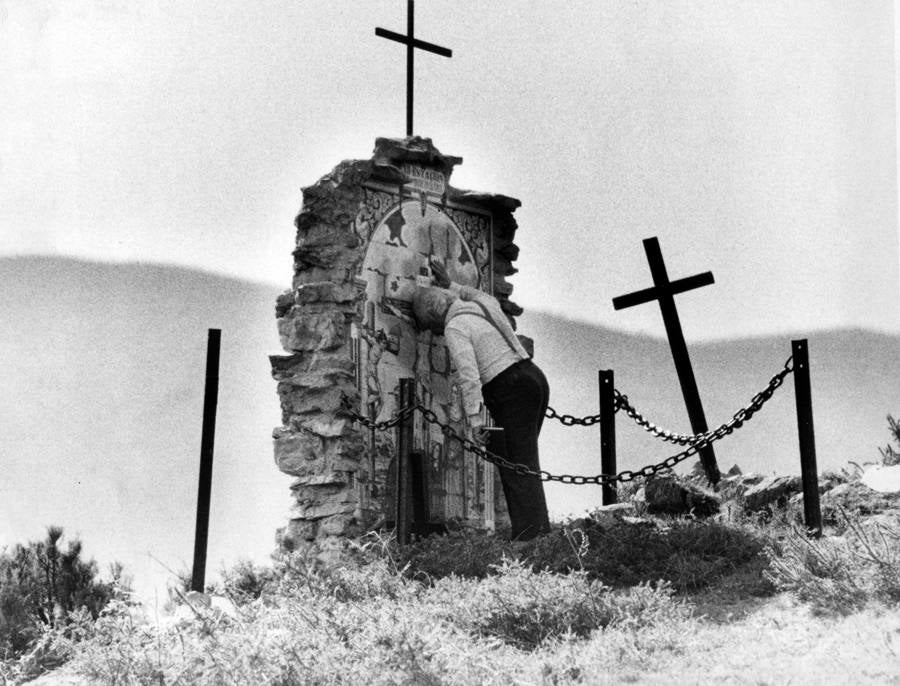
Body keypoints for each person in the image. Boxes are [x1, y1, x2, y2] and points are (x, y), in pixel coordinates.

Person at [411, 259, 551, 540]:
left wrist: (475, 420)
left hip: (509, 388)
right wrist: (450, 284)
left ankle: (529, 537)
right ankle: (538, 533)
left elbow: (469, 375)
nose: (435, 334)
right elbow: (475, 293)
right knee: (525, 460)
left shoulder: (454, 327)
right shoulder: (481, 305)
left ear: (435, 315)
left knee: (515, 466)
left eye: (430, 327)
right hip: (534, 378)